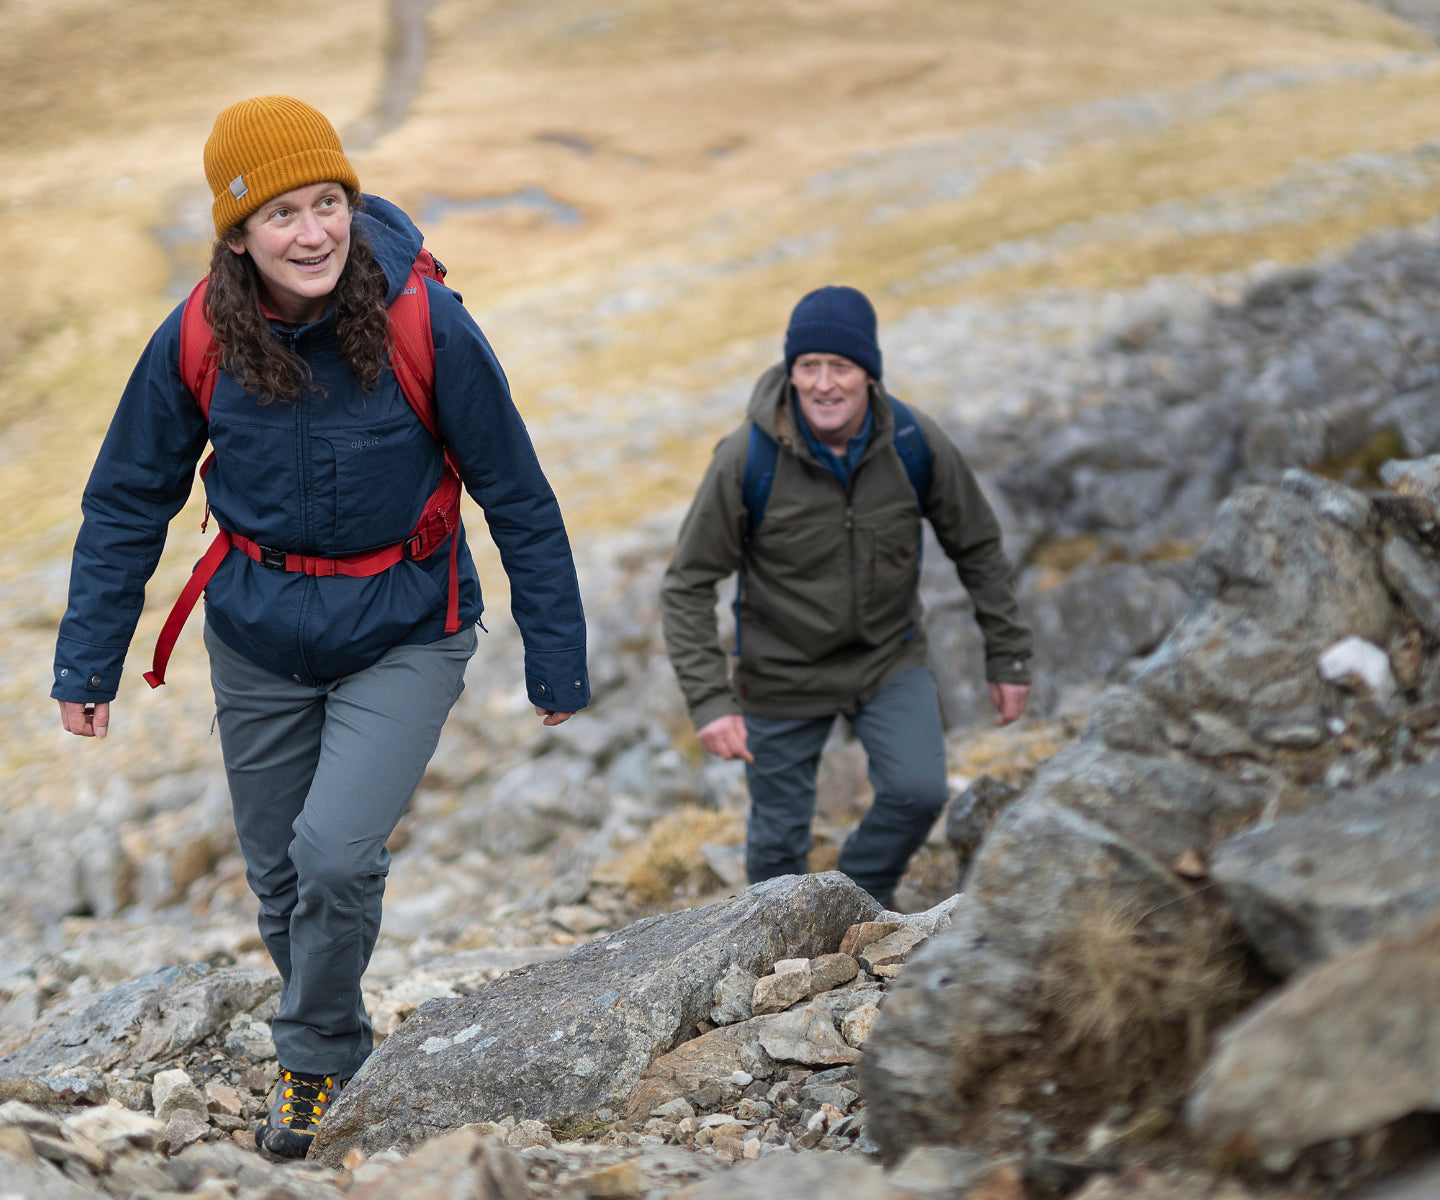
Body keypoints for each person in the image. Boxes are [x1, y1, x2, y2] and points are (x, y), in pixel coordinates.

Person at [52, 96, 589, 1159]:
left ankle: (309, 1068)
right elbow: (126, 499)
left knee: (335, 855)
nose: (314, 233)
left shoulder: (423, 323)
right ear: (237, 234)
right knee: (281, 879)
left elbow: (517, 494)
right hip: (257, 635)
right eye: (284, 213)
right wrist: (90, 660)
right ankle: (334, 1036)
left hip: (407, 625)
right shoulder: (199, 336)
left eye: (329, 202)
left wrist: (556, 658)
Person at [660, 285, 1031, 909]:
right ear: (792, 371)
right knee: (776, 849)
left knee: (918, 791)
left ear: (869, 374)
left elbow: (979, 548)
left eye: (841, 367)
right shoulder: (745, 458)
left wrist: (1008, 657)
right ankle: (778, 954)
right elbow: (687, 583)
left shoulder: (914, 441)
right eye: (809, 366)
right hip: (780, 676)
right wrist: (710, 701)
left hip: (888, 661)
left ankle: (857, 905)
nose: (824, 384)